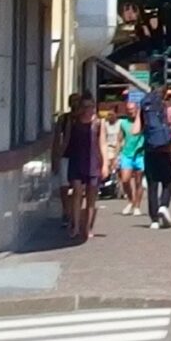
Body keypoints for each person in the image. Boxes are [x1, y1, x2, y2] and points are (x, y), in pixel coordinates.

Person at [58, 91, 102, 242]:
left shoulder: (97, 123)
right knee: (77, 192)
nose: (88, 109)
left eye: (91, 106)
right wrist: (59, 157)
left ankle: (88, 226)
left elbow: (101, 144)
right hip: (76, 160)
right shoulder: (73, 121)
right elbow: (66, 140)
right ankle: (76, 225)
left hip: (93, 162)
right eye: (85, 106)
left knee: (91, 197)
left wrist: (106, 163)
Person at [142, 85, 171, 228]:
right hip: (166, 150)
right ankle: (163, 206)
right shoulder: (170, 110)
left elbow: (136, 130)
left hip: (149, 149)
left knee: (152, 185)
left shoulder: (145, 108)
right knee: (167, 182)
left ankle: (154, 220)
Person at [116, 97, 145, 214]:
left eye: (132, 109)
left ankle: (137, 206)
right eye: (128, 110)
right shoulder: (123, 123)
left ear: (137, 109)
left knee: (139, 181)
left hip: (140, 154)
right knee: (125, 179)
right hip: (127, 154)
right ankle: (130, 201)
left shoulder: (142, 122)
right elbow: (120, 139)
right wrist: (116, 155)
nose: (130, 112)